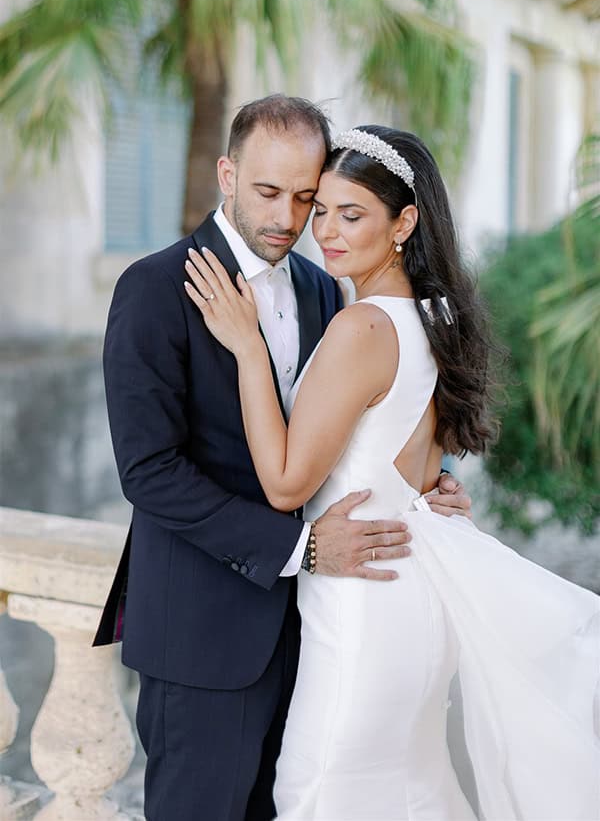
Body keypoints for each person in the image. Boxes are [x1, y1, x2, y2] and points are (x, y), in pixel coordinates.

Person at [185, 124, 600, 820]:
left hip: (363, 606)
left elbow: (287, 484)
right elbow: (410, 468)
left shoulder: (362, 328)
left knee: (322, 792)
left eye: (352, 215)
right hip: (408, 595)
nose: (326, 232)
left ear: (405, 221)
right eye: (321, 211)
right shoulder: (430, 318)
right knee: (408, 788)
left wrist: (247, 348)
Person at [92, 97, 470, 821]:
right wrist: (301, 547)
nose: (290, 219)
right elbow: (148, 472)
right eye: (268, 193)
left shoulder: (326, 288)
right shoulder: (153, 288)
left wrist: (433, 483)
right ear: (226, 174)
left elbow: (355, 424)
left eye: (307, 198)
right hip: (205, 640)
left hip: (319, 634)